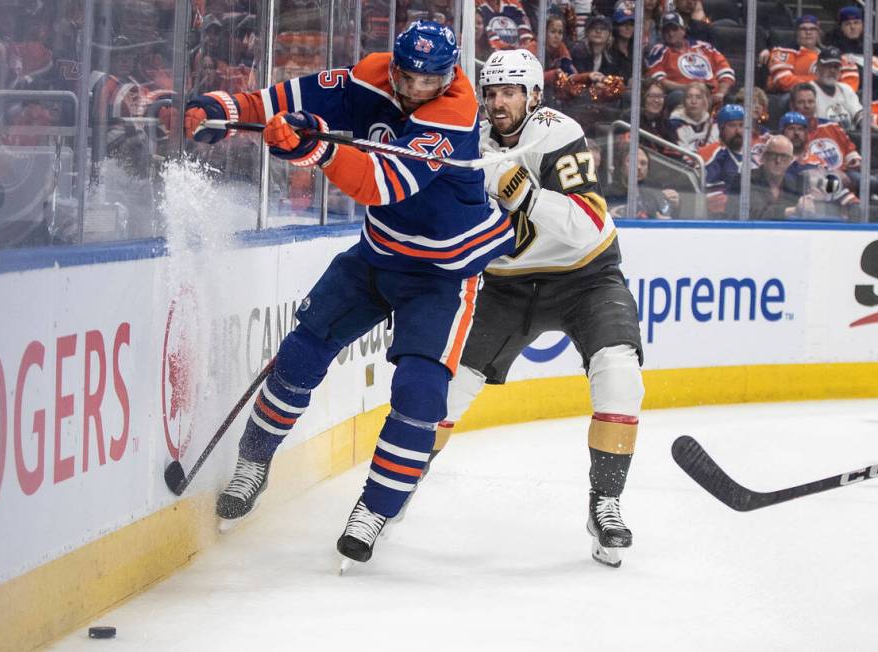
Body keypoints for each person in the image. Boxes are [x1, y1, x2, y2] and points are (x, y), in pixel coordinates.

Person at [182, 20, 515, 566]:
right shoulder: (372, 74)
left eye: (426, 82)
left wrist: (314, 151)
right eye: (406, 77)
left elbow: (381, 184)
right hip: (378, 255)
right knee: (299, 354)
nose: (411, 90)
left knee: (420, 393)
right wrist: (228, 108)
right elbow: (296, 96)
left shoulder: (454, 113)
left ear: (449, 75)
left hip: (442, 274)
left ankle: (375, 509)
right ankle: (253, 461)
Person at [415, 49, 645, 568]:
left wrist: (522, 192)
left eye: (510, 92)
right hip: (505, 286)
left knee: (619, 370)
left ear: (533, 95)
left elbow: (587, 222)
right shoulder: (465, 136)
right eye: (491, 92)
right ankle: (395, 491)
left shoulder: (556, 133)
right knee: (447, 389)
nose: (498, 103)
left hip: (586, 275)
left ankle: (605, 503)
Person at [645, 12, 735, 108]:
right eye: (666, 31)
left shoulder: (704, 47)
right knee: (677, 96)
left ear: (683, 30)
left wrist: (720, 93)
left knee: (731, 100)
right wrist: (688, 88)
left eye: (675, 29)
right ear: (662, 33)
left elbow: (726, 72)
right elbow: (658, 81)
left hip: (712, 96)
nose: (671, 34)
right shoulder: (659, 50)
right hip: (683, 96)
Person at [699, 104, 748, 217]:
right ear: (721, 128)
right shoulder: (713, 155)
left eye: (741, 125)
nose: (738, 131)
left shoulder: (754, 155)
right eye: (732, 125)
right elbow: (713, 200)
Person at [810, 46, 863, 131]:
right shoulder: (809, 91)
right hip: (822, 139)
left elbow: (860, 116)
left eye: (836, 67)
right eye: (828, 66)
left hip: (850, 140)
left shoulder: (846, 89)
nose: (832, 70)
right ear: (818, 67)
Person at [669, 81, 717, 151]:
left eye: (698, 97)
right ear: (684, 101)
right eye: (689, 97)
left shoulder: (713, 124)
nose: (693, 101)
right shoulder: (674, 124)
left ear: (705, 101)